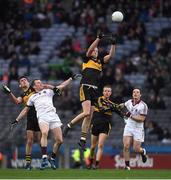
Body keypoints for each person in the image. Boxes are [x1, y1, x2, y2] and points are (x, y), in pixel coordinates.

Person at [63, 33, 116, 151]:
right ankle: (68, 125)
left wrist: (113, 44)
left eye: (97, 50)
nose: (95, 51)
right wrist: (98, 39)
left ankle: (82, 139)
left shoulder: (100, 62)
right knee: (86, 113)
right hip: (85, 87)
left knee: (90, 115)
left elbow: (111, 55)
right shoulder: (86, 59)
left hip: (95, 89)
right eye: (94, 50)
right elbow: (90, 49)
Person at [13, 76, 77, 170]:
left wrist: (71, 78)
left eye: (40, 82)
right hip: (42, 117)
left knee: (60, 140)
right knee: (44, 133)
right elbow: (25, 109)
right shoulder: (32, 97)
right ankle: (44, 158)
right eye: (38, 83)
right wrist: (17, 119)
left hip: (53, 116)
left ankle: (52, 159)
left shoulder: (48, 91)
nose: (41, 83)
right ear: (34, 86)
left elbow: (61, 86)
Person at [2, 76, 54, 170]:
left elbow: (45, 87)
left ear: (28, 82)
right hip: (30, 117)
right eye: (21, 81)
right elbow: (17, 101)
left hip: (40, 115)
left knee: (40, 139)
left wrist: (51, 88)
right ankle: (28, 163)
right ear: (20, 85)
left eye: (25, 80)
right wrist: (9, 93)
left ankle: (45, 159)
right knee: (30, 140)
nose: (24, 81)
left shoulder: (34, 88)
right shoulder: (23, 95)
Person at [87, 85, 119, 169]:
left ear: (111, 93)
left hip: (105, 125)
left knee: (100, 145)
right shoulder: (98, 99)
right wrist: (112, 107)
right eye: (105, 91)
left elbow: (119, 111)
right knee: (93, 146)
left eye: (108, 91)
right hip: (96, 124)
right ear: (103, 92)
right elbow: (101, 109)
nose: (107, 92)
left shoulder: (112, 104)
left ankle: (96, 164)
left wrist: (122, 110)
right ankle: (90, 160)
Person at [121, 88, 148, 170]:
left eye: (137, 92)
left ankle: (142, 152)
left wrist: (130, 116)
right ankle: (127, 166)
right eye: (134, 92)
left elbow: (142, 119)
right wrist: (117, 106)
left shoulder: (143, 105)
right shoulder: (129, 102)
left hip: (138, 128)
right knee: (126, 146)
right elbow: (122, 105)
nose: (135, 93)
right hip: (129, 125)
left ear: (140, 95)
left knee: (136, 149)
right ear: (132, 94)